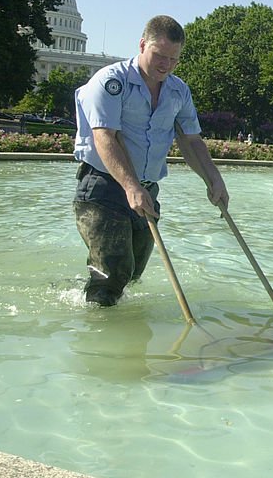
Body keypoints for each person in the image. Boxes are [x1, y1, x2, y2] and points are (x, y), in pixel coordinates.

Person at [72, 15, 229, 307]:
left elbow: (191, 141)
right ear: (143, 44)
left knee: (131, 275)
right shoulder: (110, 82)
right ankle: (99, 342)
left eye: (174, 59)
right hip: (103, 189)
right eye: (160, 56)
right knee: (113, 274)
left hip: (147, 190)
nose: (166, 65)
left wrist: (214, 180)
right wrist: (131, 186)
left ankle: (115, 324)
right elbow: (105, 137)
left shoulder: (178, 91)